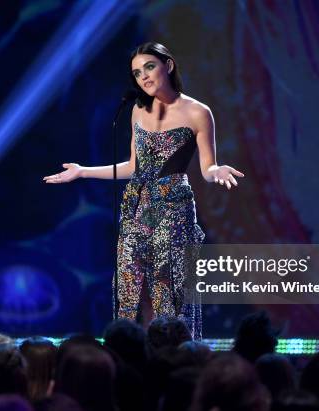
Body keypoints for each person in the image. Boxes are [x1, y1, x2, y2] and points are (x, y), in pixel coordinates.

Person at [44, 42, 244, 340]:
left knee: (169, 286)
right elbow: (133, 167)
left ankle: (175, 355)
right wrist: (83, 171)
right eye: (137, 73)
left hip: (173, 207)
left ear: (168, 65)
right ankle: (125, 353)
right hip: (137, 206)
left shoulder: (198, 112)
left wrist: (217, 171)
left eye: (149, 67)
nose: (144, 77)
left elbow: (207, 167)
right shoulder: (138, 110)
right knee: (127, 284)